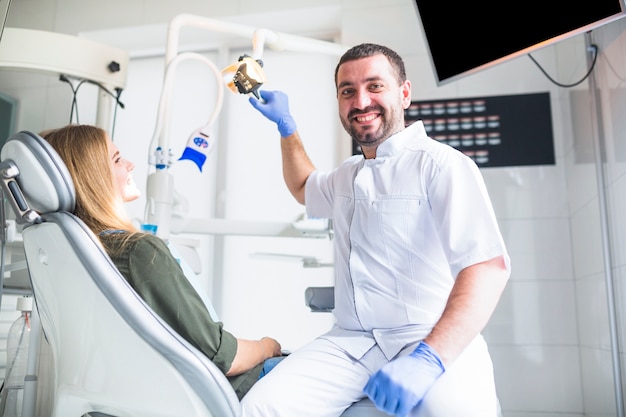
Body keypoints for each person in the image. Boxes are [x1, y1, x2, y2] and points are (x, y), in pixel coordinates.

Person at [241, 43, 511, 417]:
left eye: (375, 86)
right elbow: (303, 187)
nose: (361, 101)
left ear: (404, 93)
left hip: (426, 336)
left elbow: (486, 268)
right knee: (259, 407)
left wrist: (429, 358)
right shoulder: (347, 174)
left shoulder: (441, 165)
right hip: (350, 343)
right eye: (347, 91)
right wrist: (287, 126)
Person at [41, 124, 283, 400]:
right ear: (91, 176)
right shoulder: (137, 251)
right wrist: (266, 346)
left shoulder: (79, 253)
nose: (130, 164)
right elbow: (222, 356)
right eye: (117, 159)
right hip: (223, 393)